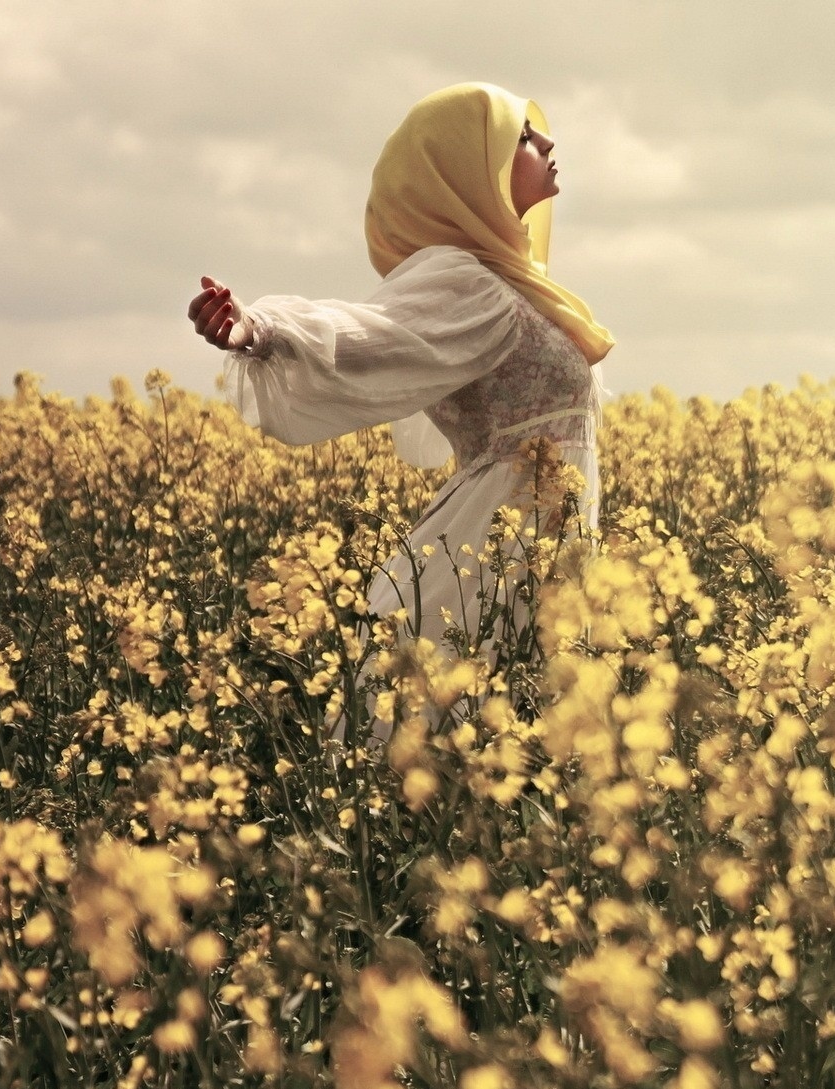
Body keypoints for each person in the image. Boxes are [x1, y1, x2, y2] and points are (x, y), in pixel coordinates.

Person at [186, 82, 616, 744]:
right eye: (524, 138)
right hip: (494, 560)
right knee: (455, 745)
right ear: (469, 169)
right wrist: (257, 330)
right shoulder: (467, 283)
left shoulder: (518, 287)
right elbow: (369, 335)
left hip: (543, 556)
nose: (548, 142)